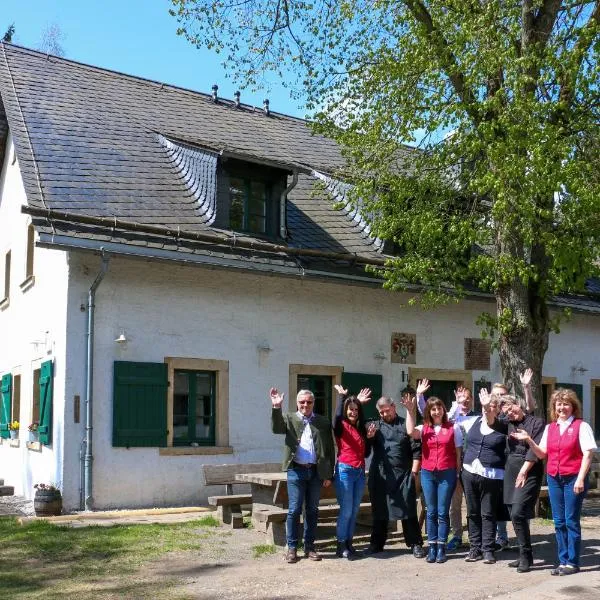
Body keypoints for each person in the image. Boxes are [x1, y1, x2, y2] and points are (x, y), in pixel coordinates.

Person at [511, 388, 598, 576]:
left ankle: (572, 562)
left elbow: (588, 454)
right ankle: (563, 560)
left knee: (571, 521)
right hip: (554, 478)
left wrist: (581, 478)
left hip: (574, 477)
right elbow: (542, 454)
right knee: (558, 522)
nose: (562, 407)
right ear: (554, 407)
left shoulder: (581, 426)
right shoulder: (550, 428)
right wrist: (529, 440)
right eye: (559, 404)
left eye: (566, 404)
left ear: (573, 406)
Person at [270, 387, 336, 564]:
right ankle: (292, 547)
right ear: (297, 403)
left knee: (312, 510)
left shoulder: (322, 421)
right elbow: (276, 429)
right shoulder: (290, 418)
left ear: (313, 403)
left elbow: (330, 449)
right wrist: (276, 407)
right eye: (302, 402)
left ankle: (309, 547)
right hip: (296, 470)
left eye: (309, 402)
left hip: (316, 472)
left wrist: (330, 473)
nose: (305, 405)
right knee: (294, 509)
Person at [483, 391, 545, 572]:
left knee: (518, 512)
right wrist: (487, 406)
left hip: (530, 469)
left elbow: (535, 451)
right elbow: (491, 421)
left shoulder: (537, 422)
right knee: (513, 514)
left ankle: (526, 554)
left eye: (512, 408)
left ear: (520, 405)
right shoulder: (507, 424)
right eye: (506, 412)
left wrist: (524, 471)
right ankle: (525, 555)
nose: (510, 413)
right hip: (511, 469)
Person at [365, 390, 425, 558]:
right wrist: (369, 438)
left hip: (403, 475)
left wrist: (414, 472)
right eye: (381, 412)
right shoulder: (374, 426)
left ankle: (415, 544)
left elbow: (416, 451)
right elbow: (366, 451)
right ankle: (377, 544)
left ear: (393, 407)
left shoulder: (406, 424)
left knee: (408, 510)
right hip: (381, 476)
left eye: (387, 410)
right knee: (379, 511)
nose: (385, 414)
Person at [404, 393, 462, 563]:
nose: (437, 412)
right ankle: (432, 547)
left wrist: (457, 474)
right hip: (428, 473)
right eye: (433, 409)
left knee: (443, 512)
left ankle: (441, 548)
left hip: (447, 473)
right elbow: (409, 431)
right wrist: (409, 410)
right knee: (431, 511)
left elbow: (458, 453)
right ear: (429, 412)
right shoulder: (424, 429)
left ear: (444, 410)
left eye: (439, 409)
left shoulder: (453, 428)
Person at [417, 379, 474, 551]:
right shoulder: (450, 418)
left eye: (467, 398)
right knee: (452, 507)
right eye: (461, 398)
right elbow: (426, 412)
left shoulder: (477, 415)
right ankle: (455, 536)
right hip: (445, 469)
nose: (464, 401)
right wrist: (419, 395)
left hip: (469, 467)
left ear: (471, 399)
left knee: (472, 505)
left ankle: (475, 538)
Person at [460, 395, 507, 564]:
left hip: (491, 475)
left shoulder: (502, 426)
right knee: (473, 512)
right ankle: (475, 548)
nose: (487, 409)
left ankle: (488, 549)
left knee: (487, 513)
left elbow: (491, 419)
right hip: (469, 472)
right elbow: (447, 417)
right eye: (486, 406)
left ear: (498, 409)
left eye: (492, 406)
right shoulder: (472, 422)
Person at [333, 384, 372, 559]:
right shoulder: (340, 425)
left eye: (356, 409)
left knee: (354, 510)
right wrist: (342, 397)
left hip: (359, 471)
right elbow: (336, 417)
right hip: (345, 470)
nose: (353, 412)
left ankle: (349, 542)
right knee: (346, 510)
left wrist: (369, 439)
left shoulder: (361, 427)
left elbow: (367, 453)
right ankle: (341, 543)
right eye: (350, 409)